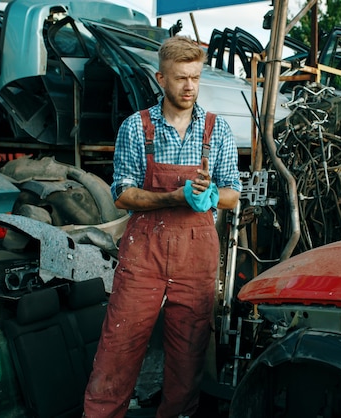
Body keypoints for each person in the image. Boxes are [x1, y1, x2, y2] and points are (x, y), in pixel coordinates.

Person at [83, 35, 242, 418]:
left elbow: (234, 192)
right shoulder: (136, 128)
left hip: (195, 257)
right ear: (160, 79)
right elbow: (122, 193)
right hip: (144, 256)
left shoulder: (216, 130)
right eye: (180, 78)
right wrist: (173, 197)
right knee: (118, 350)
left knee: (187, 358)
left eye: (195, 77)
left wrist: (210, 196)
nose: (189, 86)